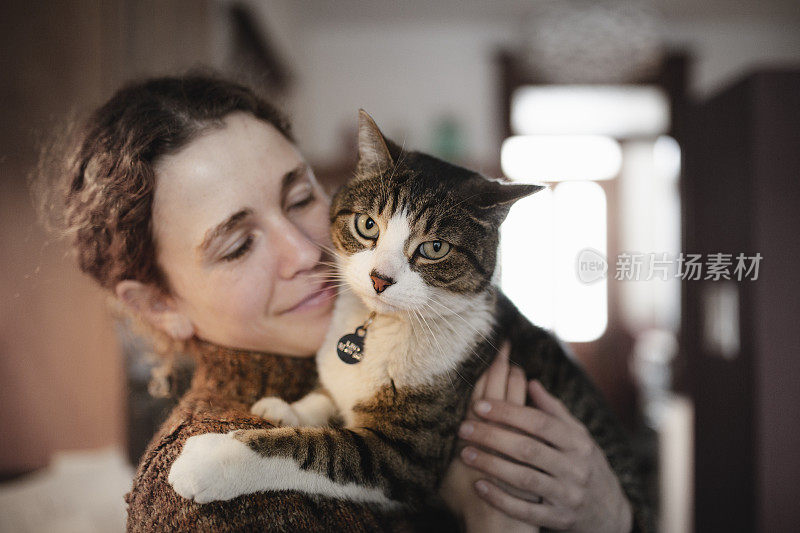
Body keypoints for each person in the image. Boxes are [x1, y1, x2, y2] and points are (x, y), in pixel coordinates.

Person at [40, 73, 652, 532]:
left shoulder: (392, 318)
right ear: (156, 304)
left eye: (301, 196)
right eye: (237, 245)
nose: (304, 252)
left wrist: (610, 513)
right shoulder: (209, 505)